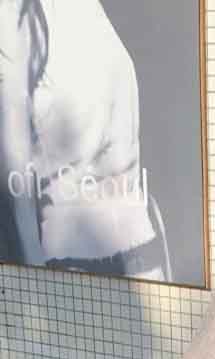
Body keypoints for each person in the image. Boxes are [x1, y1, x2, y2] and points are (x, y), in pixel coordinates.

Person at [0, 0, 168, 279]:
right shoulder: (13, 12)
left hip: (146, 258)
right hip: (76, 268)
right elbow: (14, 179)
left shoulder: (91, 8)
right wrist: (38, 286)